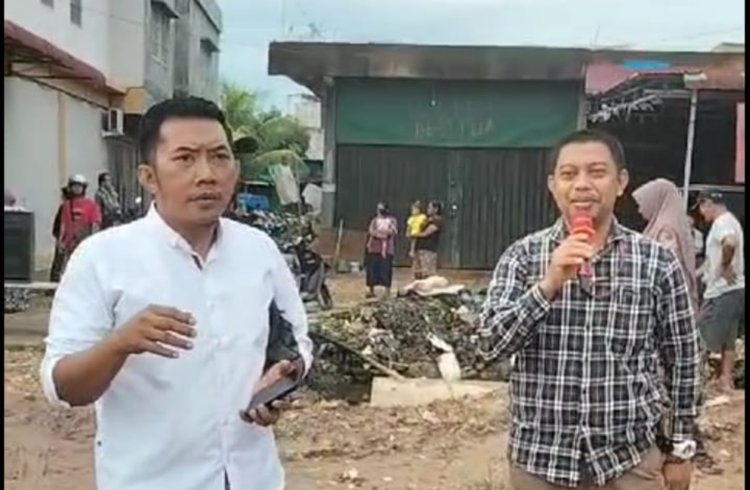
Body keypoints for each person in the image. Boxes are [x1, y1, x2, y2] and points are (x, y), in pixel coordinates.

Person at [39, 97, 313, 490]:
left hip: (255, 478)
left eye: (220, 157)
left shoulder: (259, 251)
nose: (207, 174)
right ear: (149, 177)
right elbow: (61, 386)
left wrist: (281, 379)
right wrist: (120, 344)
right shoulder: (102, 258)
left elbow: (298, 341)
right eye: (185, 159)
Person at [477, 129, 700, 490]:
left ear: (621, 182)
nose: (582, 185)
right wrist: (548, 285)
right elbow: (488, 346)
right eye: (569, 174)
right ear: (553, 185)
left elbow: (684, 359)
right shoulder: (522, 257)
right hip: (540, 462)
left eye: (597, 172)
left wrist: (680, 450)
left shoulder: (656, 262)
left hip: (629, 461)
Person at [694, 190, 745, 392]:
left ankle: (696, 381)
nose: (700, 213)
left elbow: (729, 243)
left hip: (721, 291)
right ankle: (725, 379)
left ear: (707, 203)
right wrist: (695, 273)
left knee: (702, 336)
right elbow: (709, 263)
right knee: (728, 339)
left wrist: (725, 265)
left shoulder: (722, 223)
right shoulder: (731, 220)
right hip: (735, 289)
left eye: (700, 207)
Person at [632, 178, 699, 311]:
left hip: (666, 300)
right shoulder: (671, 223)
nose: (640, 210)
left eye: (642, 204)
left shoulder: (666, 230)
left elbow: (664, 265)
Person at [54, 175, 102, 277]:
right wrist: (60, 241)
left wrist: (93, 241)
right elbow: (63, 224)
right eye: (74, 186)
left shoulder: (91, 205)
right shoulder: (66, 205)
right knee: (68, 269)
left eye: (79, 186)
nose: (77, 189)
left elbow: (95, 224)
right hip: (70, 244)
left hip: (84, 242)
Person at [365, 202, 398, 298]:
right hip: (374, 248)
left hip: (387, 249)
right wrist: (379, 235)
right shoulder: (374, 220)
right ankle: (371, 290)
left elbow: (392, 232)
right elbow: (371, 231)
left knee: (386, 269)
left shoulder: (392, 220)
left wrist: (382, 234)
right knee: (372, 269)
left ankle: (387, 291)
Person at [412, 201, 443, 278]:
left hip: (428, 250)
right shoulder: (425, 219)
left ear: (436, 209)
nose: (427, 209)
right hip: (419, 248)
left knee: (428, 274)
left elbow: (426, 233)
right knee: (418, 273)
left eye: (430, 207)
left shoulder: (437, 221)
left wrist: (415, 234)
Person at [406, 200, 427, 279]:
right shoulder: (411, 219)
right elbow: (408, 228)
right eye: (412, 210)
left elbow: (424, 225)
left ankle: (422, 273)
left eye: (414, 209)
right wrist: (408, 233)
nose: (413, 211)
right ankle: (414, 273)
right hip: (414, 235)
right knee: (414, 255)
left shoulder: (423, 217)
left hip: (419, 235)